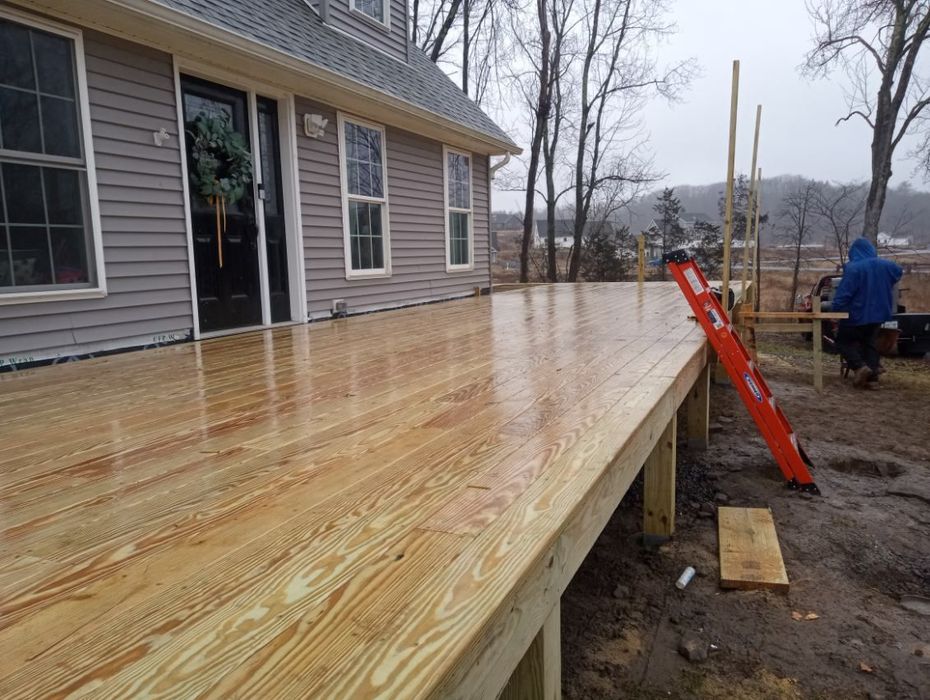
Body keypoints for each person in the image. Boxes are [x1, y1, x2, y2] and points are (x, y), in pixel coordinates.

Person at [831, 237, 903, 388]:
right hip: (878, 315)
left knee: (843, 342)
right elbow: (898, 272)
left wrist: (836, 309)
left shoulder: (854, 268)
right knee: (869, 344)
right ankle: (872, 379)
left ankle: (859, 367)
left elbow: (844, 293)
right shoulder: (887, 266)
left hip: (856, 314)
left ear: (854, 252)